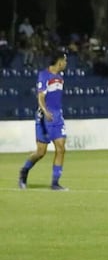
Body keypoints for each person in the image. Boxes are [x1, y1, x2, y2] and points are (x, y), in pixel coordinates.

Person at [18, 51, 69, 190]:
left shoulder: (60, 77)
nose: (66, 63)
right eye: (65, 61)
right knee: (41, 152)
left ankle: (55, 183)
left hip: (57, 117)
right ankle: (24, 171)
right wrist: (45, 111)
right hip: (44, 117)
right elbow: (40, 97)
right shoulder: (44, 75)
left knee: (61, 148)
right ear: (59, 61)